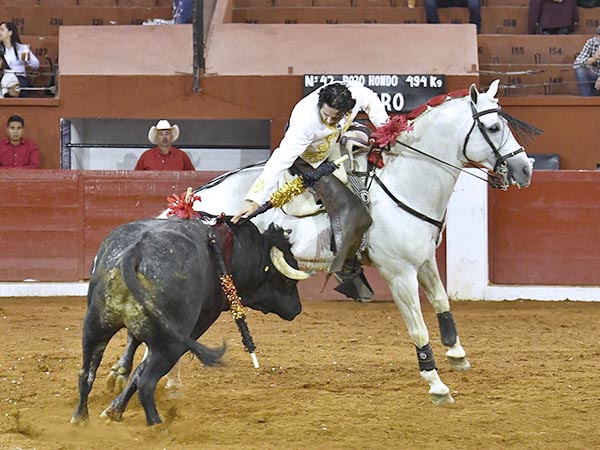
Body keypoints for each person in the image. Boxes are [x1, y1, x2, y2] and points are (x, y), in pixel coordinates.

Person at [232, 81, 389, 301]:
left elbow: (370, 99)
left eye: (336, 117)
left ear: (347, 110)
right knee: (351, 208)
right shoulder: (305, 122)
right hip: (306, 160)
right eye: (326, 115)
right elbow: (280, 159)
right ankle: (345, 269)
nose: (329, 120)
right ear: (320, 103)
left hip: (333, 146)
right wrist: (255, 200)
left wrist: (385, 128)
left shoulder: (354, 95)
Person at [0, 22, 39, 98]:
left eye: (2, 30)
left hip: (19, 78)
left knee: (21, 86)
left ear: (10, 33)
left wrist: (28, 59)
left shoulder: (22, 48)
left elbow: (36, 65)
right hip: (3, 77)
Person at [573, 26, 600, 96]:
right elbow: (577, 63)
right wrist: (593, 59)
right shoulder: (591, 42)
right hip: (594, 74)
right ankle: (586, 101)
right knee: (580, 71)